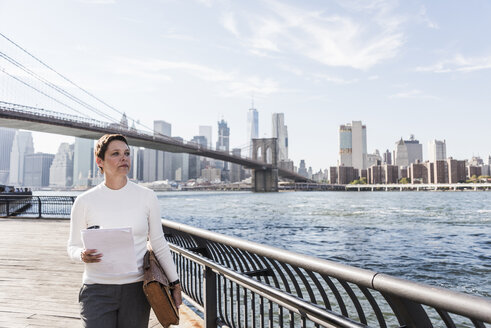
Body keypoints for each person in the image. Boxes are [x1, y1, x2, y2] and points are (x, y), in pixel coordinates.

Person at [67, 134, 182, 327]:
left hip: (137, 291)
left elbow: (159, 243)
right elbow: (72, 246)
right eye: (116, 153)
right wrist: (82, 254)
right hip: (96, 290)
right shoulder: (84, 201)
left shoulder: (147, 197)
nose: (124, 158)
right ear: (99, 161)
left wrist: (175, 284)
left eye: (127, 153)